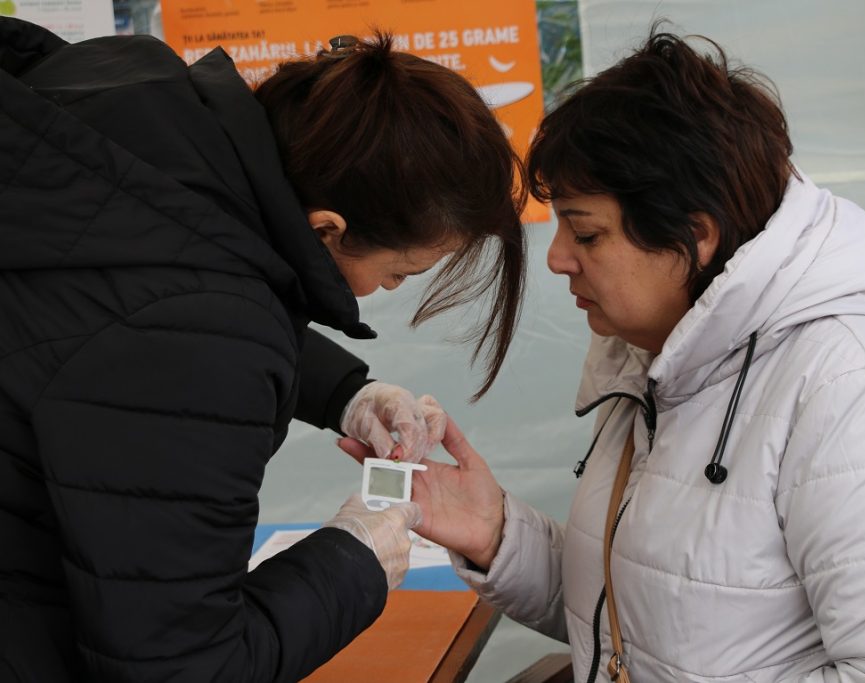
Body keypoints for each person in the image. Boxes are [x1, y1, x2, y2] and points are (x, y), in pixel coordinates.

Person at [366, 30, 865, 682]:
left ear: (696, 235)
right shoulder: (662, 359)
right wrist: (496, 533)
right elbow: (644, 622)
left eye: (586, 233)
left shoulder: (862, 391)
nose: (558, 258)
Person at [0, 18, 525, 682]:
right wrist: (356, 560)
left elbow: (129, 296)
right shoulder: (201, 338)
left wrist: (344, 392)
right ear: (327, 229)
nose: (384, 291)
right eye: (398, 274)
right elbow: (182, 666)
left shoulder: (130, 112)